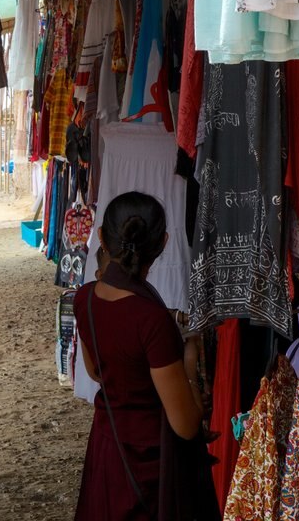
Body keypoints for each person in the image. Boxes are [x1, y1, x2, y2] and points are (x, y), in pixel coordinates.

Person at [73, 191, 210, 520]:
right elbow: (187, 425)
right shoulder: (151, 321)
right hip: (151, 465)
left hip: (110, 447)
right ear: (162, 244)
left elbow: (95, 372)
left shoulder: (85, 298)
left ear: (103, 238)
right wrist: (190, 358)